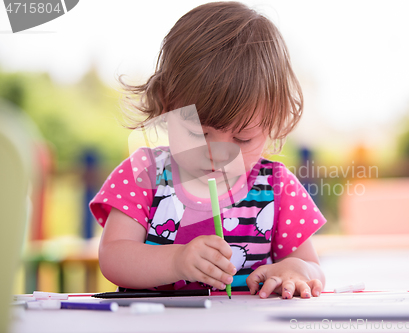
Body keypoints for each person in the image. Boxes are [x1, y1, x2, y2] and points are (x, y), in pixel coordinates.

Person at [90, 1, 326, 299]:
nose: (218, 155)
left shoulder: (277, 187)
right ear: (167, 104)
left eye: (243, 139)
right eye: (199, 133)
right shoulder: (145, 174)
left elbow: (314, 269)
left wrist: (296, 271)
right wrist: (176, 261)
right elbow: (113, 256)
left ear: (273, 124)